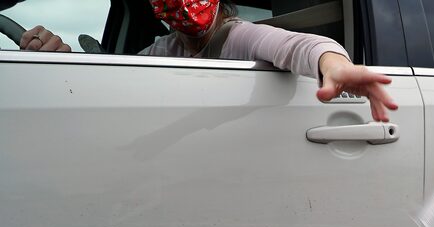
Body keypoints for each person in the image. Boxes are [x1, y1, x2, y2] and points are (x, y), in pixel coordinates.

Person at [18, 0, 397, 121]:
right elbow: (120, 79)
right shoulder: (166, 49)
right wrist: (62, 61)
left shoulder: (237, 33)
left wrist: (335, 67)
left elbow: (299, 46)